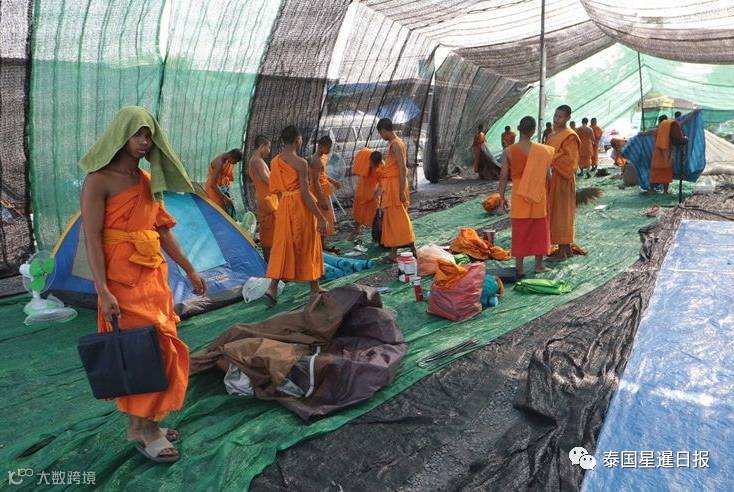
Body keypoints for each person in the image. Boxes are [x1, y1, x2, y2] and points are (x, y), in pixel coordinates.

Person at [79, 106, 207, 463]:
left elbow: (162, 231)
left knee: (161, 346)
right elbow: (92, 239)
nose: (144, 141)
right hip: (120, 282)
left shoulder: (148, 181)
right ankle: (144, 430)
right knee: (140, 352)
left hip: (152, 278)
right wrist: (103, 290)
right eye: (138, 133)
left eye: (149, 135)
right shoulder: (98, 180)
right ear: (121, 135)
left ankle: (144, 424)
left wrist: (190, 269)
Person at [264, 126, 327, 306]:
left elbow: (276, 190)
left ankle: (272, 288)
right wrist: (320, 216)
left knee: (284, 245)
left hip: (284, 206)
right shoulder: (300, 163)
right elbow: (305, 193)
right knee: (308, 243)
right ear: (297, 140)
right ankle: (314, 287)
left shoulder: (275, 161)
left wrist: (284, 207)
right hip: (301, 206)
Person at [498, 116, 554, 275]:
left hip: (519, 194)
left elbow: (503, 176)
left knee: (520, 229)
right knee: (539, 228)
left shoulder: (509, 151)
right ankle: (538, 265)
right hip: (538, 193)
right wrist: (548, 192)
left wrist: (501, 197)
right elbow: (548, 176)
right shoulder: (543, 150)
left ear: (518, 128)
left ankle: (519, 267)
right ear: (534, 130)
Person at [375, 118, 417, 262]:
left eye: (381, 134)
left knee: (400, 219)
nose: (381, 136)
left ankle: (412, 248)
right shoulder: (395, 143)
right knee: (393, 220)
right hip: (392, 185)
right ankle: (393, 252)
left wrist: (400, 191)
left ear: (383, 131)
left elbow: (402, 168)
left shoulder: (396, 144)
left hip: (396, 186)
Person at [546, 105, 580, 262]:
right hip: (553, 177)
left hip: (564, 179)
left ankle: (563, 250)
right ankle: (565, 249)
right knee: (555, 212)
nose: (556, 119)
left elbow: (570, 162)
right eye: (555, 115)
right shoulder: (553, 135)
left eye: (560, 116)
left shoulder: (570, 136)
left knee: (563, 214)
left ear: (568, 118)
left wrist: (552, 156)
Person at [247, 135, 278, 262]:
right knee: (269, 235)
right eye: (268, 147)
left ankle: (272, 263)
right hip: (266, 200)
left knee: (271, 233)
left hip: (267, 199)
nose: (269, 151)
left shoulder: (257, 160)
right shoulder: (257, 161)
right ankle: (270, 265)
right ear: (262, 146)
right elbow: (267, 179)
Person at [309, 135, 341, 252]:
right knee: (321, 218)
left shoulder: (321, 157)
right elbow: (316, 181)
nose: (329, 150)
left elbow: (322, 175)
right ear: (322, 146)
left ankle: (322, 244)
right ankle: (319, 245)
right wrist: (321, 199)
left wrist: (333, 181)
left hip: (323, 190)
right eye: (329, 148)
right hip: (318, 192)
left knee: (325, 217)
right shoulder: (316, 160)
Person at [649, 115, 687, 194]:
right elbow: (680, 127)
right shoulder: (668, 130)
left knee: (655, 173)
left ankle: (652, 190)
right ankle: (665, 191)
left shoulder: (656, 130)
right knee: (666, 172)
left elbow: (646, 133)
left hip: (657, 154)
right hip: (666, 153)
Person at [349, 147, 381, 240]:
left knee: (375, 214)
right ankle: (356, 229)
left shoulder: (381, 168)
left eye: (373, 165)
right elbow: (359, 170)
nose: (371, 165)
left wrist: (376, 194)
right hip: (362, 189)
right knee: (358, 211)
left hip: (372, 193)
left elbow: (382, 184)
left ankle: (377, 233)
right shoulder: (365, 156)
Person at [204, 148, 243, 217]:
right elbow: (213, 184)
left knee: (224, 212)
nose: (235, 163)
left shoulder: (226, 159)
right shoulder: (219, 163)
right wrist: (225, 197)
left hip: (220, 188)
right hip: (213, 190)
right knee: (217, 212)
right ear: (231, 156)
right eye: (236, 161)